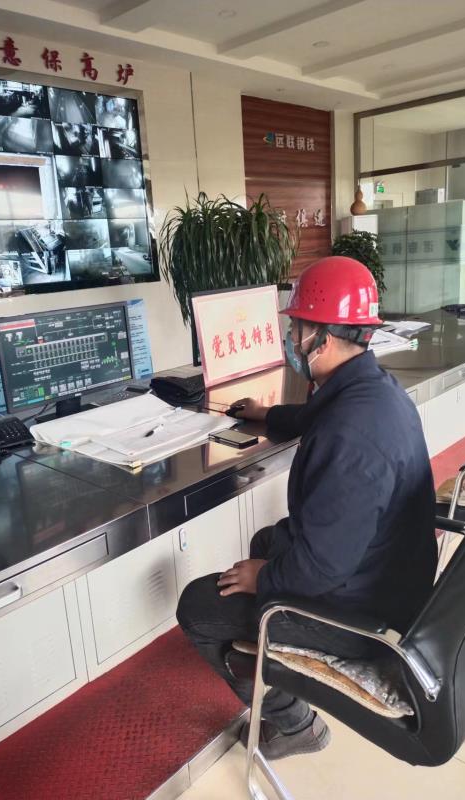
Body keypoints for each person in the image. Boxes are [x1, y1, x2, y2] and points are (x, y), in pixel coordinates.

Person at [177, 256, 437, 761]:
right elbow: (318, 415)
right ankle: (269, 658)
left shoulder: (350, 436)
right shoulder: (369, 387)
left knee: (197, 604)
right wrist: (266, 414)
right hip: (392, 573)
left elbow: (321, 568)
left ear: (324, 337)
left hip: (363, 613)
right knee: (267, 540)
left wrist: (265, 577)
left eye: (297, 328)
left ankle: (295, 724)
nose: (292, 340)